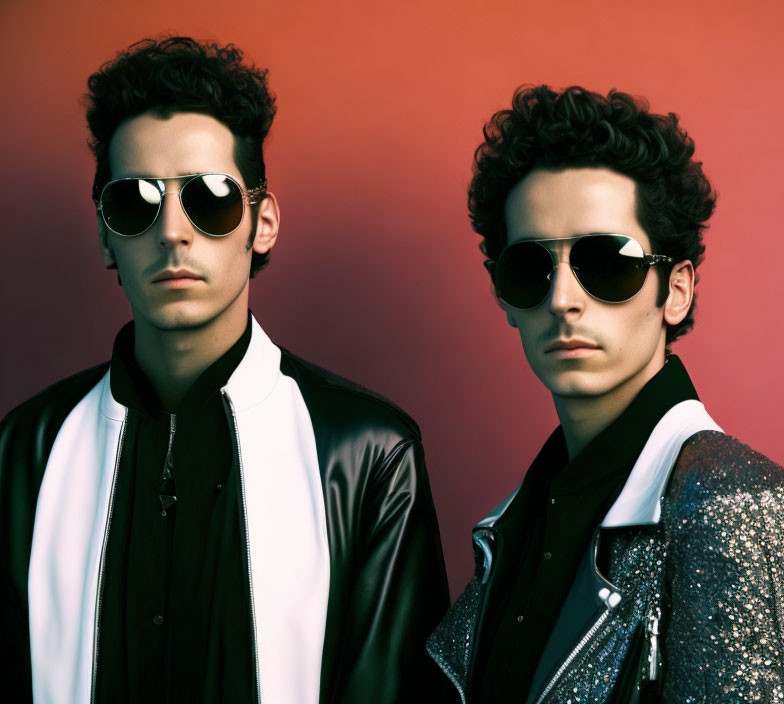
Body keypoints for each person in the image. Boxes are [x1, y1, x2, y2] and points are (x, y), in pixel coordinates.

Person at [0, 36, 448, 703]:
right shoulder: (25, 450)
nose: (173, 231)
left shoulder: (367, 452)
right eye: (135, 201)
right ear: (103, 235)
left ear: (261, 222)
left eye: (209, 198)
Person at [427, 86, 784, 703]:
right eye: (530, 268)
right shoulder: (514, 528)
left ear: (676, 289)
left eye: (607, 264)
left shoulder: (749, 516)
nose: (562, 300)